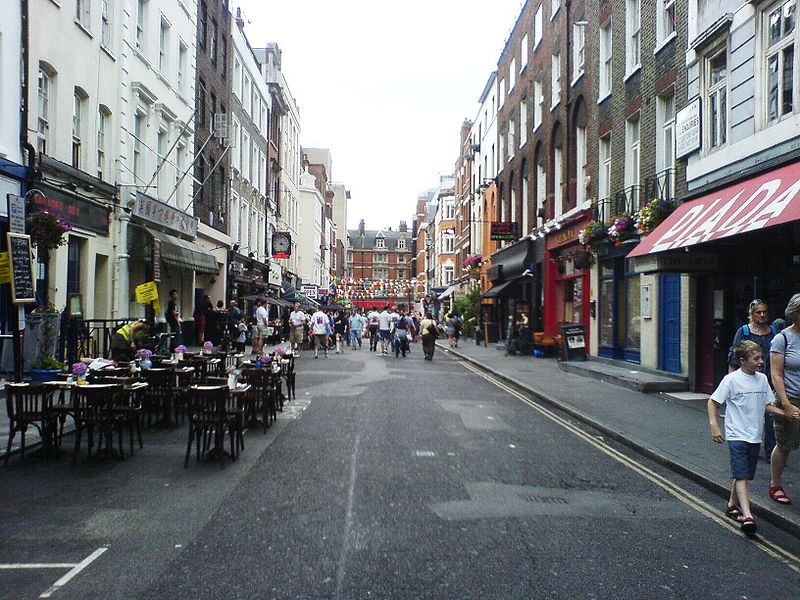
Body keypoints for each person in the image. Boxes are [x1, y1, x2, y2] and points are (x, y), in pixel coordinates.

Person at [708, 340, 785, 536]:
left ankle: (732, 503)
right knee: (742, 475)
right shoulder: (731, 380)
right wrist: (715, 426)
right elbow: (713, 401)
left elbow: (765, 405)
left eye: (761, 357)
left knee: (744, 473)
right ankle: (748, 515)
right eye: (756, 358)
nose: (761, 361)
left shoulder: (761, 380)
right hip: (736, 434)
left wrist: (786, 414)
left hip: (754, 435)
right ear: (742, 361)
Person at [727, 299, 779, 460]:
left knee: (771, 419)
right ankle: (747, 448)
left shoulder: (774, 331)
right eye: (758, 312)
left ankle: (771, 453)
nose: (762, 315)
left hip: (769, 380)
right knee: (749, 416)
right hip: (748, 381)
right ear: (752, 314)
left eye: (765, 312)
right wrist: (731, 381)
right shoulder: (744, 331)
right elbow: (734, 357)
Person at [769, 293, 800, 505]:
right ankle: (775, 484)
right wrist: (787, 404)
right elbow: (776, 375)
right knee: (785, 443)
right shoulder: (783, 338)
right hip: (791, 399)